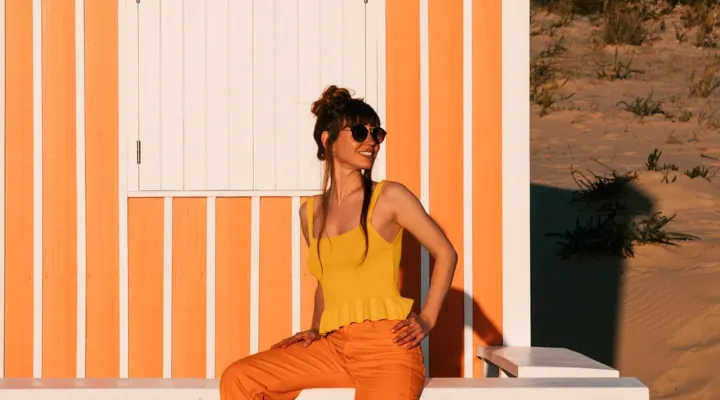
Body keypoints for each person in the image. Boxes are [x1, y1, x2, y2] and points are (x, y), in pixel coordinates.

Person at [220, 85, 458, 400]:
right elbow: (325, 282)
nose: (371, 141)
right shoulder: (310, 213)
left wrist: (426, 319)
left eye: (377, 134)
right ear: (328, 140)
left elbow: (446, 252)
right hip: (333, 346)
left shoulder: (389, 197)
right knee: (240, 378)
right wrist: (316, 328)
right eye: (359, 132)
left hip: (386, 351)